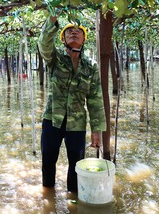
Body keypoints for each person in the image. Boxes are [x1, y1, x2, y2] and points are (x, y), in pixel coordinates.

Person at [37, 14, 106, 193]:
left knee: (77, 166)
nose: (74, 33)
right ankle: (48, 197)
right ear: (63, 38)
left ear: (84, 39)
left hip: (77, 123)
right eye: (69, 31)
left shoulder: (90, 65)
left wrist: (96, 130)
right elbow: (44, 45)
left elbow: (95, 99)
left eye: (78, 32)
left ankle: (73, 201)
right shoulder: (55, 58)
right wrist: (51, 21)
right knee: (48, 162)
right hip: (52, 120)